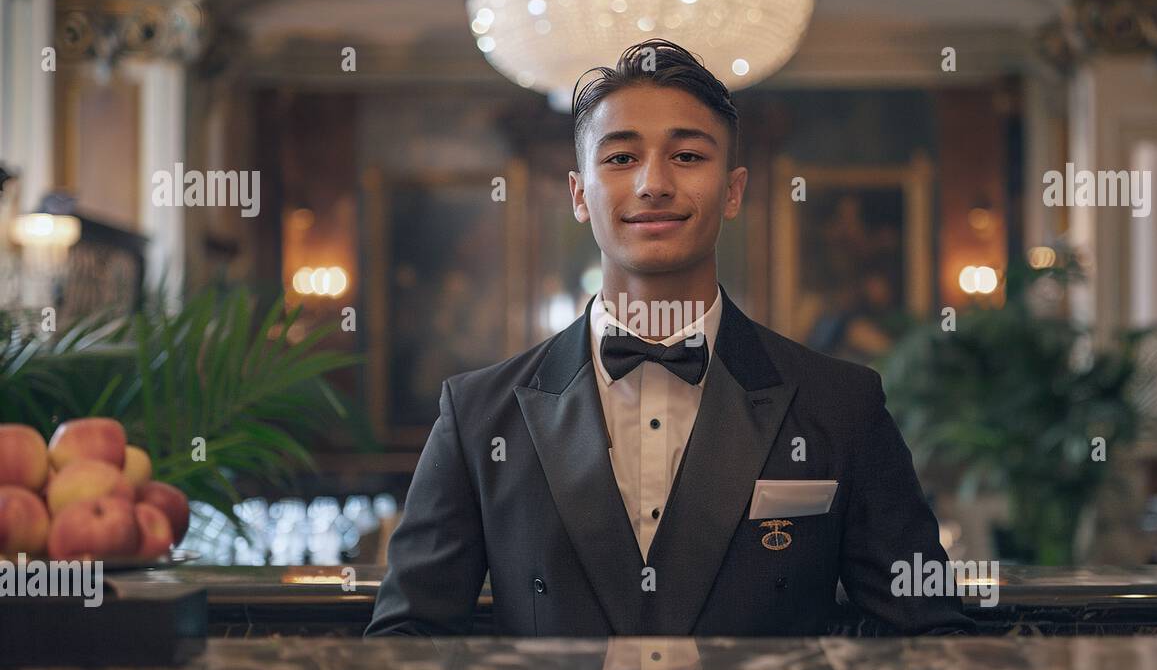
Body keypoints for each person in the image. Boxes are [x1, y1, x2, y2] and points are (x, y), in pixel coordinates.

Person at [366, 38, 974, 637]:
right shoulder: (477, 416)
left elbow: (928, 634)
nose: (653, 184)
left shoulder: (841, 405)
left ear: (733, 191)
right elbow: (407, 642)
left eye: (687, 156)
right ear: (580, 194)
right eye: (621, 158)